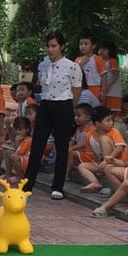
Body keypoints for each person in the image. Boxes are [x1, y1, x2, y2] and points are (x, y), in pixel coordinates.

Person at [22, 30, 82, 200]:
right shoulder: (42, 65)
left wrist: (71, 108)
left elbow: (76, 89)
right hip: (46, 105)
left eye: (54, 46)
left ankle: (57, 187)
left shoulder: (72, 66)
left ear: (61, 47)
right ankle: (27, 184)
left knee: (61, 147)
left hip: (64, 106)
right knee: (37, 145)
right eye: (48, 46)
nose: (50, 49)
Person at [80, 106, 123, 194]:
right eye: (108, 121)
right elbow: (90, 153)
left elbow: (120, 147)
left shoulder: (114, 131)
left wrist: (107, 160)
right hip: (101, 162)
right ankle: (95, 182)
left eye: (112, 120)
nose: (111, 123)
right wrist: (98, 162)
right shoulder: (89, 135)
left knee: (103, 139)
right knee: (82, 166)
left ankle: (106, 166)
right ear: (98, 123)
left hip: (115, 161)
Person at [77, 31, 105, 103]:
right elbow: (74, 75)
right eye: (81, 44)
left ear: (93, 46)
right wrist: (80, 64)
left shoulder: (98, 59)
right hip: (81, 89)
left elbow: (104, 76)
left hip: (95, 88)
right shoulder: (77, 59)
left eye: (86, 44)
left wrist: (103, 91)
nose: (83, 46)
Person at [98, 40, 123, 111]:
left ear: (110, 50)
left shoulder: (112, 61)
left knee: (111, 112)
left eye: (104, 49)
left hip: (112, 92)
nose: (101, 51)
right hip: (104, 92)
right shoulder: (100, 62)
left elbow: (115, 75)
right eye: (100, 49)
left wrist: (107, 86)